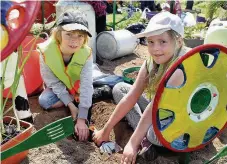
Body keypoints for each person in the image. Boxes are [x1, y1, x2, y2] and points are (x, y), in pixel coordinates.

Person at [93, 11, 191, 163]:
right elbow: (132, 96)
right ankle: (145, 138)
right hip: (163, 112)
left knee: (154, 134)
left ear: (178, 41)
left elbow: (154, 107)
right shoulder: (152, 62)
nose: (155, 48)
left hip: (186, 121)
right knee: (120, 88)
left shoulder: (180, 67)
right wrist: (105, 131)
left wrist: (133, 142)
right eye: (151, 42)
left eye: (162, 42)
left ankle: (146, 138)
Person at [38, 11, 93, 141]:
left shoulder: (86, 53)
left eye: (80, 35)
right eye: (69, 34)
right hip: (61, 87)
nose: (74, 41)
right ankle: (74, 99)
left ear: (85, 38)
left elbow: (86, 83)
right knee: (44, 101)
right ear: (58, 33)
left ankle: (85, 96)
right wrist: (71, 105)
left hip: (78, 85)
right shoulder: (46, 51)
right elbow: (52, 82)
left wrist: (81, 118)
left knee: (94, 83)